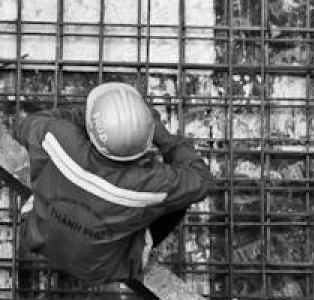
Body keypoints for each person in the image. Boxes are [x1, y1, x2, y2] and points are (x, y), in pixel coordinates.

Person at [12, 82, 216, 287]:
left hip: (38, 237)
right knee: (178, 200)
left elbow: (30, 124)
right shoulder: (151, 184)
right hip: (105, 269)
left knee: (46, 165)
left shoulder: (57, 137)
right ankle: (132, 247)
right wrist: (162, 136)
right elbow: (202, 179)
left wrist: (92, 118)